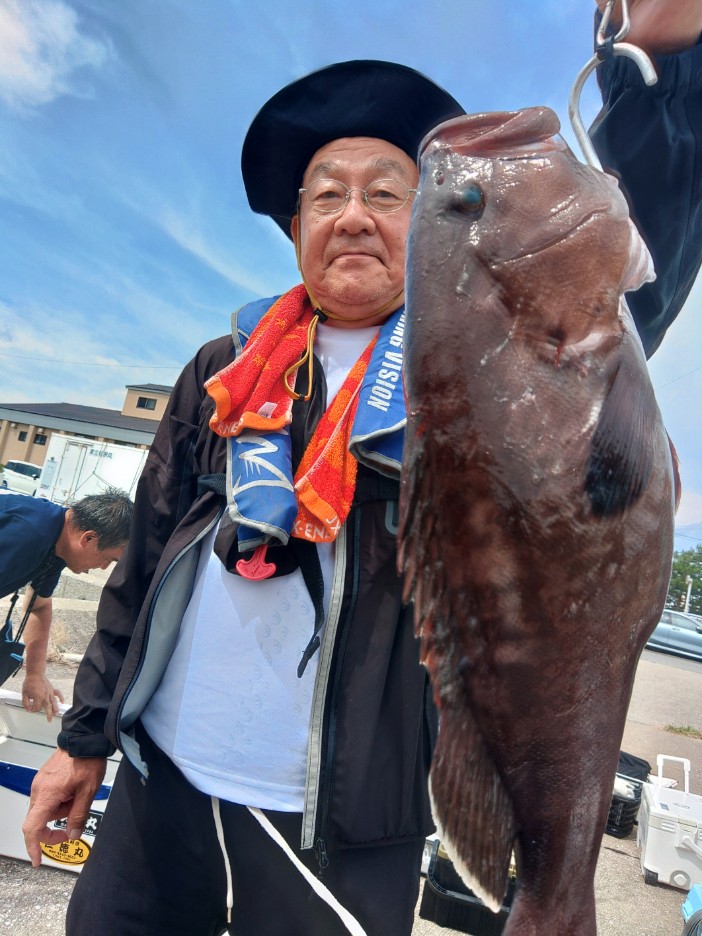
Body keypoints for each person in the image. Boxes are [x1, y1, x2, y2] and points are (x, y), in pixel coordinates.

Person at [23, 3, 702, 935]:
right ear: (296, 224)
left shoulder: (496, 359)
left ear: (427, 230)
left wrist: (659, 63)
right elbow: (140, 568)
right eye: (325, 195)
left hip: (343, 834)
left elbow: (631, 250)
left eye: (387, 193)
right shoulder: (223, 368)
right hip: (156, 789)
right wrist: (84, 737)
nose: (352, 216)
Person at [0, 488, 132, 720]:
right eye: (109, 559)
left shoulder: (58, 543)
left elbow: (39, 606)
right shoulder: (28, 535)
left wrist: (35, 674)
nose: (103, 567)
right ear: (88, 538)